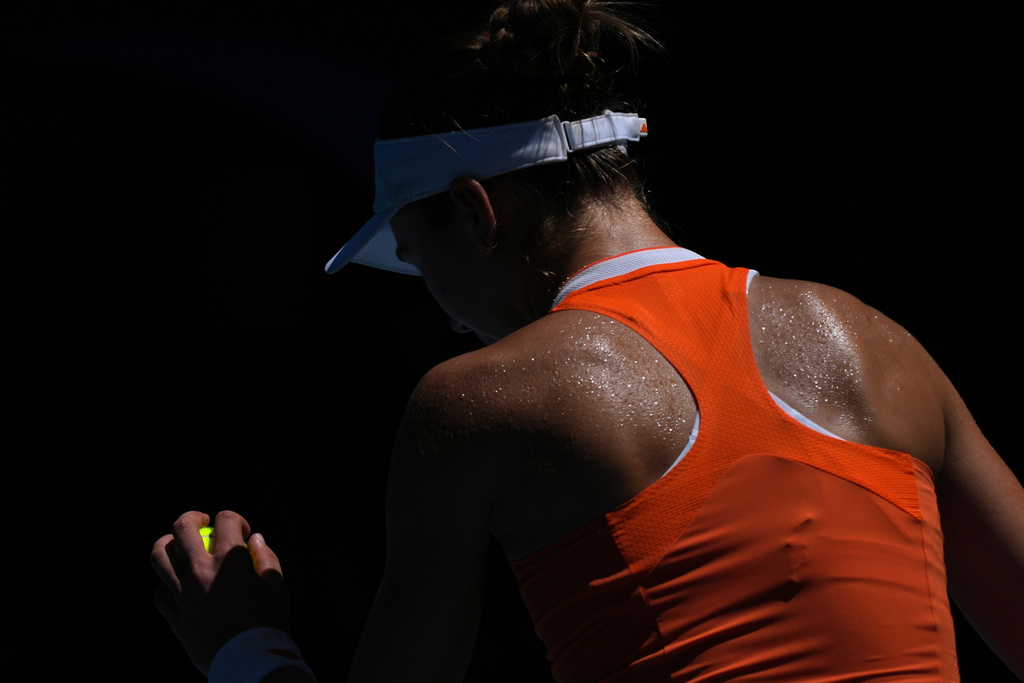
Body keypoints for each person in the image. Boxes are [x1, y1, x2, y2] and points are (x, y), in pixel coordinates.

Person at [151, 1, 1024, 681]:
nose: (447, 314)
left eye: (419, 262)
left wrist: (246, 646)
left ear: (475, 210)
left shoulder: (476, 399)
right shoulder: (875, 340)